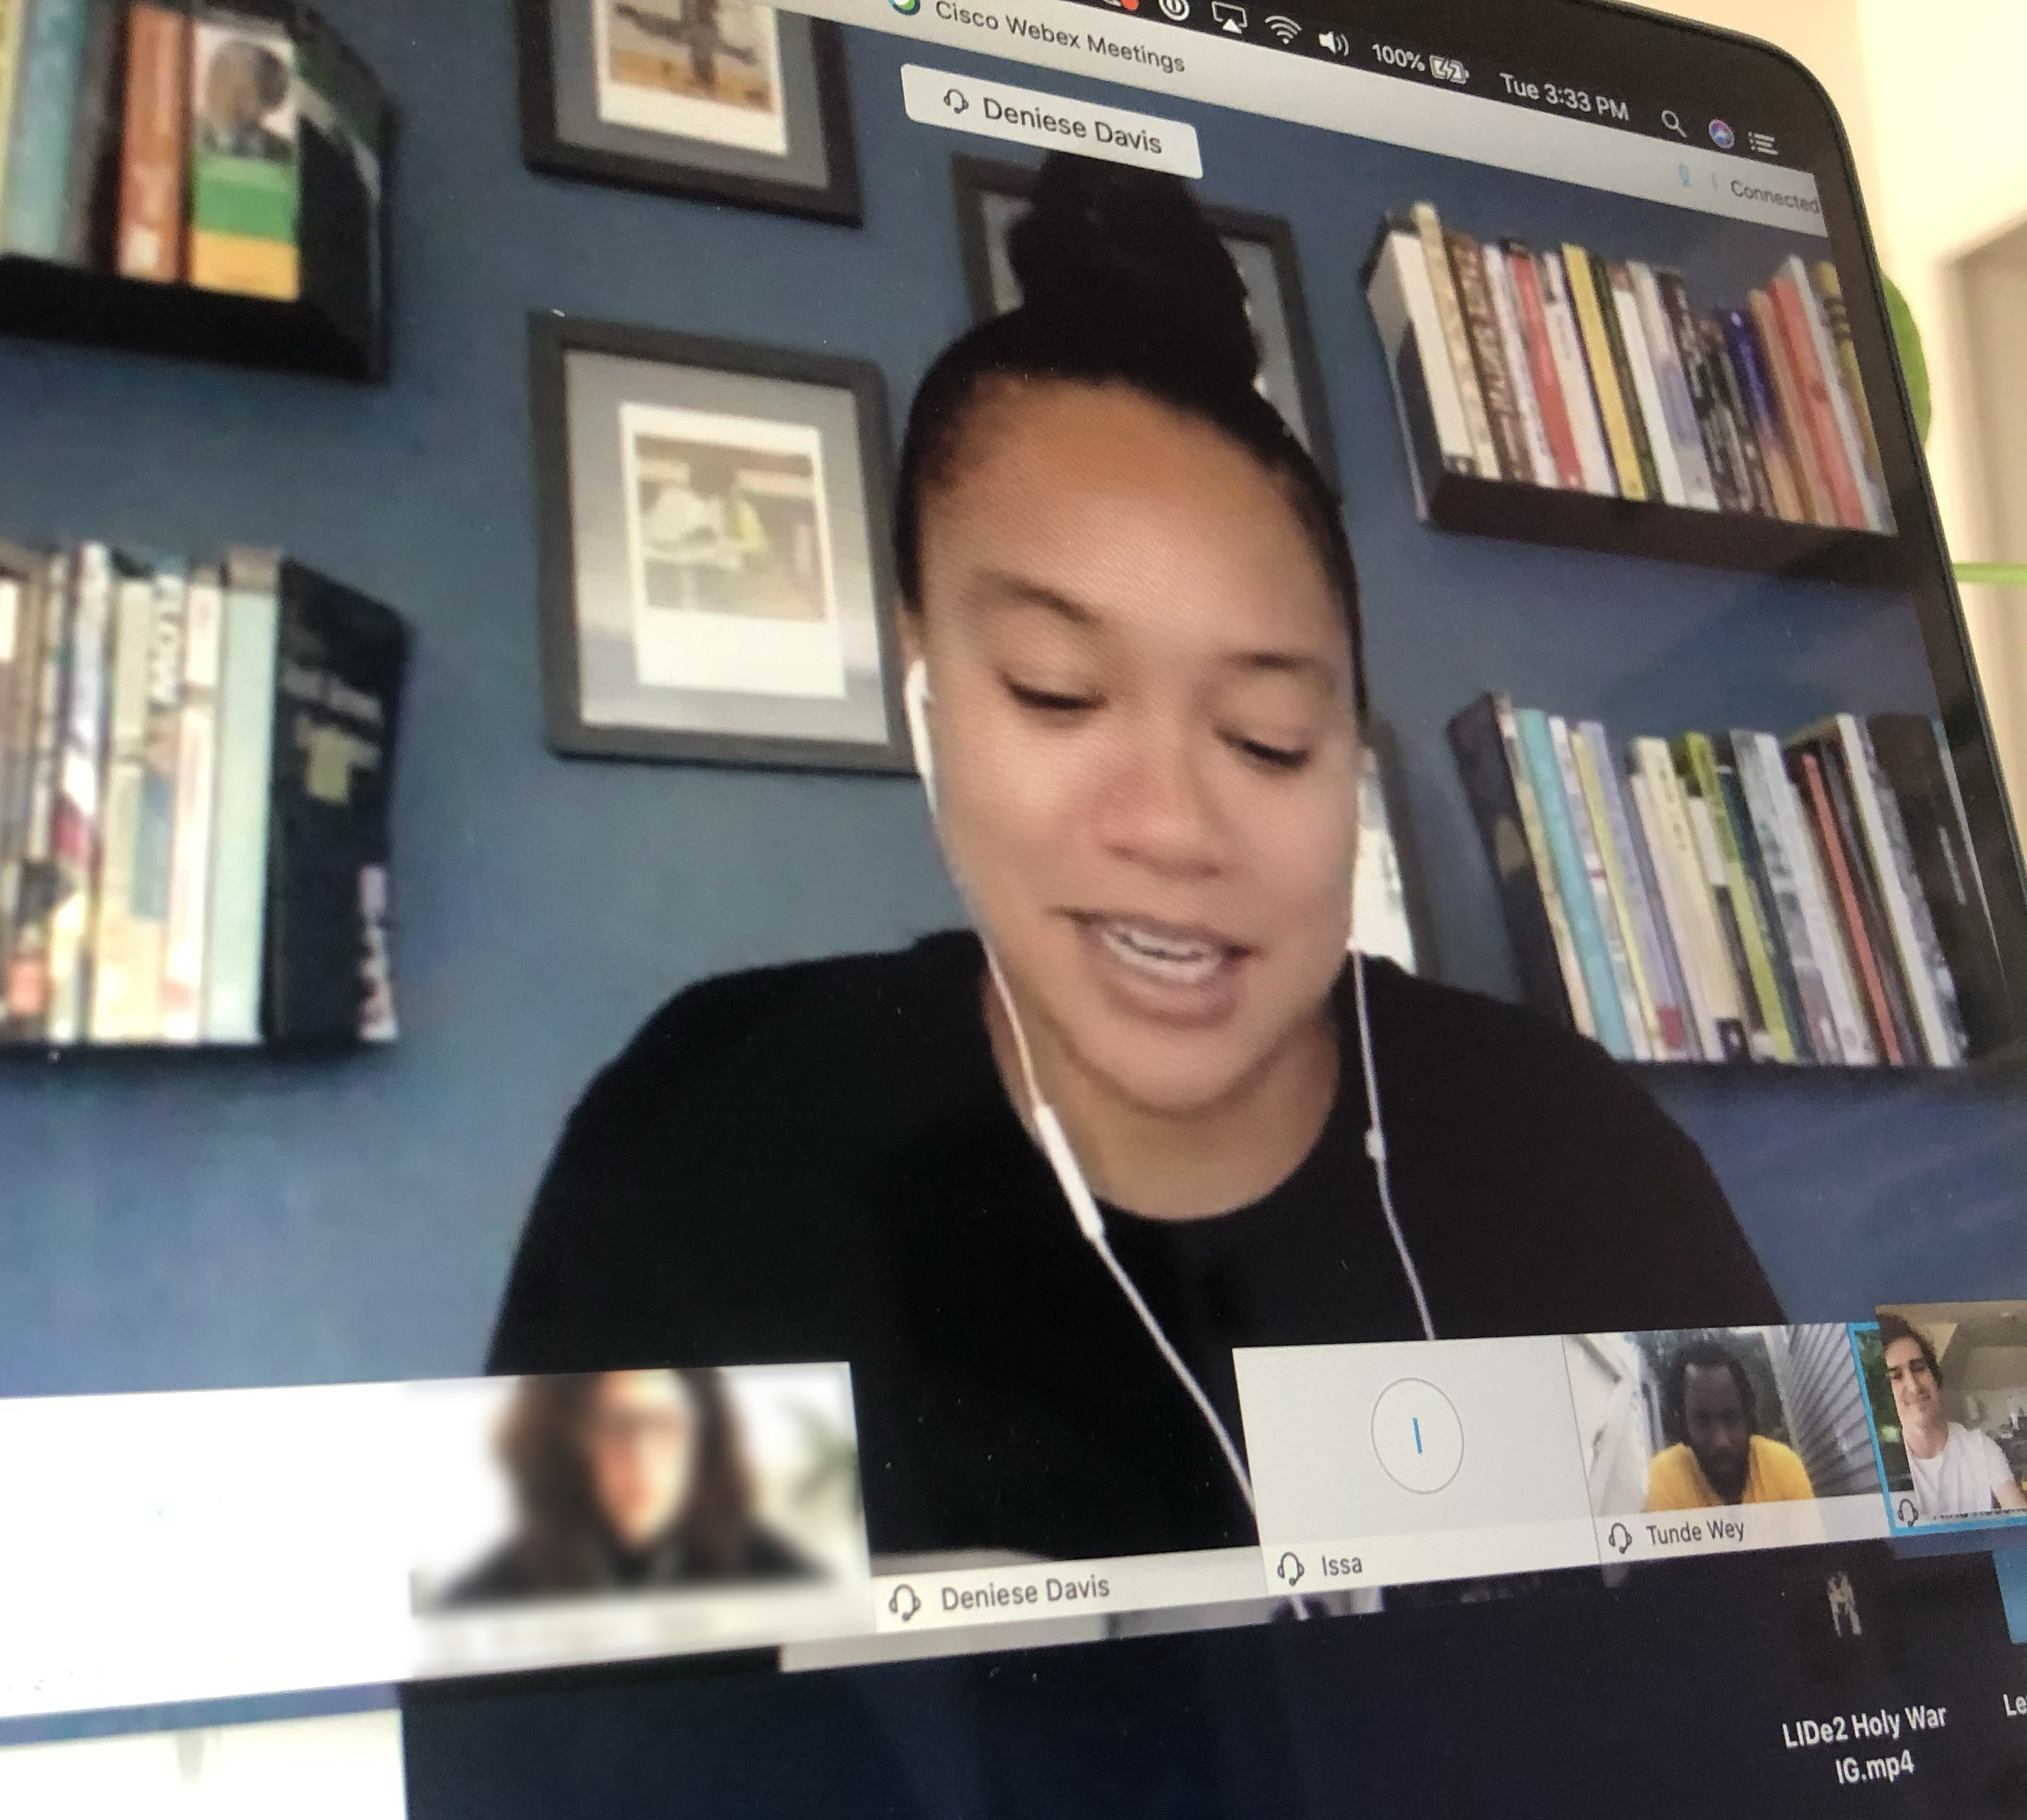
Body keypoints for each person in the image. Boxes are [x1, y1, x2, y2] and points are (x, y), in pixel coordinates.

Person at [489, 155, 1782, 1565]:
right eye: (1055, 691)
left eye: (1268, 739)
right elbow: (586, 1685)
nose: (1172, 825)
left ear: (1350, 746)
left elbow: (1814, 1631)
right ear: (923, 685)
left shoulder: (1572, 1153)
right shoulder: (727, 1141)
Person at [439, 1368, 817, 1605]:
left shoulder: (781, 1578)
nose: (642, 1460)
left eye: (665, 1427)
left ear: (704, 1443)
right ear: (569, 1444)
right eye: (616, 1427)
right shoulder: (482, 1600)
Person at [1878, 1313, 2027, 1520]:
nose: (1913, 1386)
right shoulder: (1880, 1465)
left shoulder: (1980, 1448)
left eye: (1919, 1368)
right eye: (1896, 1376)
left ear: (1934, 1376)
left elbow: (2020, 1518)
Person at [1641, 1340, 1814, 1509]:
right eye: (1702, 1421)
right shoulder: (1659, 1480)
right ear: (1682, 1425)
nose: (1721, 1441)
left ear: (1748, 1417)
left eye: (1731, 1418)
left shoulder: (1783, 1467)